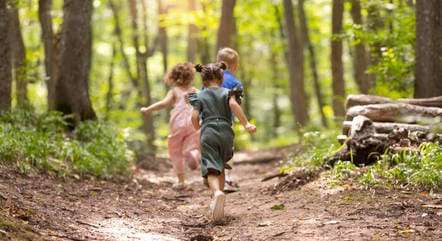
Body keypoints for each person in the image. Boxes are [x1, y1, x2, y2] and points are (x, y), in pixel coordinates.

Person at [189, 62, 256, 222]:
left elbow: (194, 116)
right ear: (221, 78)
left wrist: (198, 129)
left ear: (203, 81)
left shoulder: (200, 95)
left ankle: (217, 193)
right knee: (221, 164)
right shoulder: (228, 92)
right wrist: (246, 123)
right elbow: (234, 105)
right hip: (226, 132)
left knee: (211, 168)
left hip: (209, 132)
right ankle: (220, 203)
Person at [140, 63, 200, 189]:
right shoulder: (195, 91)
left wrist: (148, 109)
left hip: (177, 123)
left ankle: (181, 181)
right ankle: (193, 153)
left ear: (173, 77)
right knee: (193, 144)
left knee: (175, 151)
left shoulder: (174, 91)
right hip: (193, 121)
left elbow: (163, 104)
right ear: (191, 77)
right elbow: (206, 102)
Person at [216, 47, 243, 192]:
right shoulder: (235, 83)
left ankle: (212, 177)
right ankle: (226, 179)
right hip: (225, 123)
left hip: (207, 122)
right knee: (227, 152)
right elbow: (236, 105)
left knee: (212, 151)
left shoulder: (209, 81)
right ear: (235, 66)